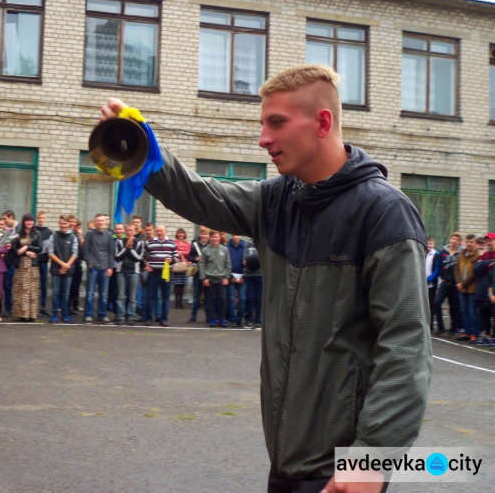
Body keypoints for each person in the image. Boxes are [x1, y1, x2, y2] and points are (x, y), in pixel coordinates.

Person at [100, 63, 431, 492]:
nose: (263, 139)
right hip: (285, 460)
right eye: (263, 124)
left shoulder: (383, 211)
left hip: (342, 472)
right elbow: (199, 194)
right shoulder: (273, 200)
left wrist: (372, 459)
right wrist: (139, 146)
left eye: (277, 123)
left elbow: (406, 348)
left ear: (322, 123)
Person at [46, 214, 78, 324]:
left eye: (65, 223)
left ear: (69, 224)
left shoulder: (73, 237)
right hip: (56, 269)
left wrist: (67, 265)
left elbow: (75, 253)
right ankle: (54, 314)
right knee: (56, 293)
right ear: (59, 224)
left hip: (68, 270)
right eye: (61, 223)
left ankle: (66, 315)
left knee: (66, 294)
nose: (63, 225)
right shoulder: (53, 236)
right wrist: (62, 264)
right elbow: (50, 253)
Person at [144, 224, 177, 327]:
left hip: (166, 273)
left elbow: (176, 257)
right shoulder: (149, 243)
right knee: (151, 297)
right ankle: (149, 318)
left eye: (161, 231)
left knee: (165, 298)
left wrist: (172, 260)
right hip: (153, 273)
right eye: (157, 231)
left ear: (165, 231)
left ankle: (164, 319)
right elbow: (143, 255)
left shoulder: (172, 243)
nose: (159, 233)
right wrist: (146, 264)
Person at [83, 213, 114, 324]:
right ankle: (88, 315)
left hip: (105, 267)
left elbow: (111, 252)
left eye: (102, 220)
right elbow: (85, 250)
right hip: (93, 267)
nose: (100, 222)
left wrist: (110, 267)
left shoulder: (109, 235)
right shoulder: (90, 234)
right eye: (98, 220)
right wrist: (89, 263)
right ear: (95, 222)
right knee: (90, 292)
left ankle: (102, 315)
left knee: (103, 294)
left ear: (105, 222)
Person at [10, 213, 41, 322]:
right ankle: (21, 314)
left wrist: (27, 247)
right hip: (21, 265)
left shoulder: (36, 234)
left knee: (31, 290)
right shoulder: (18, 234)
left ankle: (31, 314)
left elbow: (39, 248)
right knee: (21, 289)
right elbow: (14, 249)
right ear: (23, 222)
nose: (29, 223)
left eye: (31, 221)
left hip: (32, 266)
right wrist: (25, 253)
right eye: (27, 221)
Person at [199, 230, 231, 327]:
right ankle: (212, 319)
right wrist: (204, 278)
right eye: (213, 237)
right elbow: (202, 265)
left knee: (223, 299)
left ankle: (222, 319)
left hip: (221, 278)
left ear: (219, 237)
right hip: (210, 278)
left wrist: (227, 277)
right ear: (210, 238)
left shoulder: (224, 249)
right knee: (210, 300)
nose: (214, 239)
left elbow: (228, 264)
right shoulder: (205, 250)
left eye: (216, 237)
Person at [432, 232, 461, 337]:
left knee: (454, 307)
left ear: (459, 242)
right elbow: (439, 266)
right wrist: (442, 277)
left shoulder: (460, 254)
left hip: (455, 284)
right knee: (436, 302)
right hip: (445, 282)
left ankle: (453, 329)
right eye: (452, 239)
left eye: (456, 240)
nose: (454, 241)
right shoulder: (443, 252)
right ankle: (440, 327)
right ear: (450, 239)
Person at [115, 222, 144, 325]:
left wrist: (130, 249)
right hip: (121, 271)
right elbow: (118, 257)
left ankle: (131, 316)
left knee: (132, 297)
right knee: (121, 296)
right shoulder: (119, 242)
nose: (129, 232)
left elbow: (138, 259)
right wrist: (126, 248)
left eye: (131, 230)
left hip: (134, 272)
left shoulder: (140, 243)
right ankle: (121, 316)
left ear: (135, 232)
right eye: (127, 230)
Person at [455, 234, 481, 342]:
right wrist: (458, 283)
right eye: (468, 241)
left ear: (475, 243)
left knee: (472, 311)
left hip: (472, 288)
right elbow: (456, 268)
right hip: (461, 286)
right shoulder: (461, 254)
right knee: (464, 310)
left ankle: (474, 333)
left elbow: (474, 272)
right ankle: (467, 332)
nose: (469, 244)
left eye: (471, 242)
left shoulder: (477, 256)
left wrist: (463, 284)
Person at [186, 226, 209, 323]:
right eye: (202, 234)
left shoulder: (210, 244)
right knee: (196, 295)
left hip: (208, 273)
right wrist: (195, 259)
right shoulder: (195, 243)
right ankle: (193, 316)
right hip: (197, 272)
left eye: (205, 234)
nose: (203, 236)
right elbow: (189, 257)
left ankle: (209, 316)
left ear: (208, 235)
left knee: (208, 296)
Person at [227, 234, 247, 326]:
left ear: (241, 236)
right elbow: (226, 263)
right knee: (231, 299)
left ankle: (239, 319)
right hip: (231, 276)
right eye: (234, 235)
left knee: (242, 298)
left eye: (238, 235)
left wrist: (243, 276)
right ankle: (232, 319)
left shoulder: (246, 247)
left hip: (242, 276)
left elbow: (247, 262)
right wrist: (231, 276)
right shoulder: (227, 247)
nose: (236, 237)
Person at [243, 236, 263, 329]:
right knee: (249, 298)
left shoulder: (263, 244)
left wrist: (254, 261)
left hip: (260, 275)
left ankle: (258, 320)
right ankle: (249, 320)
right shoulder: (247, 245)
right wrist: (254, 261)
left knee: (259, 299)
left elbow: (264, 259)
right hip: (249, 275)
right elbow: (244, 261)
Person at [35, 211, 52, 317]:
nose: (41, 219)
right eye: (39, 217)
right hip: (34, 261)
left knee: (43, 285)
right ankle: (32, 306)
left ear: (45, 219)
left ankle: (43, 307)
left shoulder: (49, 232)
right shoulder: (34, 230)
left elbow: (51, 246)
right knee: (32, 285)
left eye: (43, 218)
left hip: (44, 261)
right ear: (37, 218)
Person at [425, 237, 443, 334]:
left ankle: (430, 325)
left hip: (431, 284)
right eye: (427, 243)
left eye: (430, 244)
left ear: (433, 244)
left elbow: (437, 270)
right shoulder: (423, 253)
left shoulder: (436, 255)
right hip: (423, 284)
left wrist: (429, 279)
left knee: (430, 305)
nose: (429, 245)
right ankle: (425, 324)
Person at [171, 227, 191, 309]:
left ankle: (180, 301)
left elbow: (188, 252)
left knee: (182, 284)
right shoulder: (174, 243)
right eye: (179, 233)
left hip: (184, 265)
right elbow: (174, 252)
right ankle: (176, 301)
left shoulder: (187, 243)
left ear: (184, 234)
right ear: (177, 234)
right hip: (176, 265)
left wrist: (180, 252)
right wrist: (183, 252)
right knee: (177, 284)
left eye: (182, 233)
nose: (181, 235)